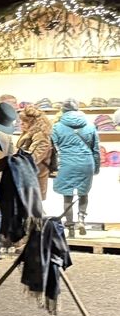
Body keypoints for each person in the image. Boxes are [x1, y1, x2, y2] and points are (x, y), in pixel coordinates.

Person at [51, 98, 100, 237]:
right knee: (83, 193)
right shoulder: (90, 126)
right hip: (86, 162)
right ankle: (81, 220)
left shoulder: (57, 126)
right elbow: (95, 149)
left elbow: (52, 148)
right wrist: (96, 167)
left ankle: (70, 227)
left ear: (63, 110)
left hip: (67, 162)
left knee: (67, 195)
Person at [17, 105, 53, 200]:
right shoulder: (28, 133)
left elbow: (34, 158)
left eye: (24, 122)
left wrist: (15, 160)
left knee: (33, 209)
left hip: (35, 178)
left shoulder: (40, 136)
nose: (21, 124)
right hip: (29, 177)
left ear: (33, 123)